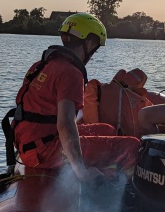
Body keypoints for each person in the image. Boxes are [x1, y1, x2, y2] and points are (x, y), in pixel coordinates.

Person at [9, 12, 140, 183]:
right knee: (133, 147)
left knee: (107, 129)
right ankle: (111, 193)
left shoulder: (44, 64)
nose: (93, 54)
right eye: (95, 48)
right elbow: (65, 125)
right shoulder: (71, 73)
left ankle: (102, 173)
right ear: (90, 42)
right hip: (45, 151)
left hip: (30, 143)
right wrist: (82, 173)